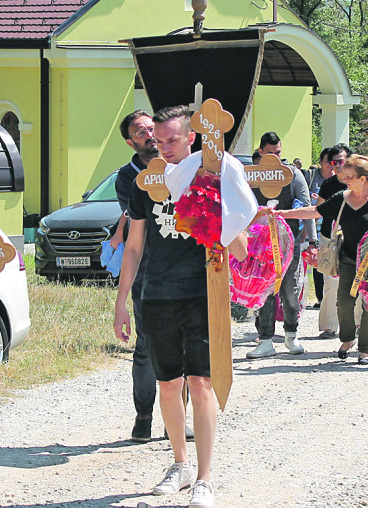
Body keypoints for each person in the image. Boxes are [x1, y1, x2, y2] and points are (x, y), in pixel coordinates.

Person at [114, 106, 249, 507]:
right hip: (155, 292)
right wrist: (122, 300)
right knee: (168, 384)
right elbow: (134, 245)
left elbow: (238, 244)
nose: (165, 147)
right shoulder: (147, 181)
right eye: (159, 141)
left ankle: (205, 478)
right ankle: (180, 463)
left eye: (173, 140)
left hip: (200, 292)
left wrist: (218, 214)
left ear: (192, 137)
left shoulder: (211, 176)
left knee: (200, 382)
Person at [277, 155, 368, 365]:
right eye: (345, 176)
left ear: (363, 179)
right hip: (348, 257)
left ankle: (365, 350)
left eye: (350, 177)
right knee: (344, 302)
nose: (345, 180)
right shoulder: (342, 197)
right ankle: (347, 339)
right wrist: (285, 213)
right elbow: (315, 211)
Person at [107, 110, 167, 443]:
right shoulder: (127, 177)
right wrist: (120, 301)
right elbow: (135, 233)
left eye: (151, 127)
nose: (148, 133)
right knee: (145, 347)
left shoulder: (178, 165)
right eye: (140, 130)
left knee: (183, 350)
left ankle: (180, 417)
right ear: (131, 141)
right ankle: (143, 416)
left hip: (183, 271)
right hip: (147, 274)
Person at [246, 132, 317, 358]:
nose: (275, 157)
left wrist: (313, 241)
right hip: (259, 243)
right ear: (260, 152)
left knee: (290, 291)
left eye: (278, 153)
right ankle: (265, 339)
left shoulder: (293, 175)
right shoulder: (251, 176)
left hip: (290, 242)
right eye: (270, 153)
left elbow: (307, 208)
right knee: (265, 290)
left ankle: (291, 336)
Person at [315, 143, 354, 337]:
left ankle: (357, 324)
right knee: (330, 282)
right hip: (329, 238)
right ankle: (329, 326)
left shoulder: (357, 181)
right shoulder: (328, 184)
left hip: (353, 237)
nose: (337, 165)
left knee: (356, 282)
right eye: (333, 162)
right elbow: (317, 211)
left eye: (341, 161)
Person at [304, 147, 335, 317]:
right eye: (327, 163)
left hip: (332, 226)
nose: (330, 166)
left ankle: (330, 298)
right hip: (312, 225)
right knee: (316, 264)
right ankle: (320, 297)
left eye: (334, 163)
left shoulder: (342, 180)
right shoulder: (311, 178)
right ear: (321, 163)